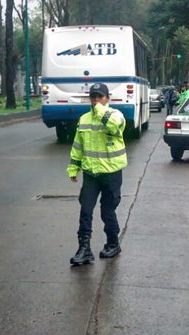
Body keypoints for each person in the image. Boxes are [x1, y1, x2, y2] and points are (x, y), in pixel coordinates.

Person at [67, 83, 127, 266]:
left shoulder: (115, 116)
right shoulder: (84, 119)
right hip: (91, 173)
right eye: (93, 97)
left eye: (99, 97)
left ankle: (113, 243)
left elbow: (114, 127)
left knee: (107, 211)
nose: (95, 100)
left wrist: (100, 110)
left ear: (107, 98)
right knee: (85, 210)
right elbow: (78, 146)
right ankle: (84, 249)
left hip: (111, 173)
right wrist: (73, 168)